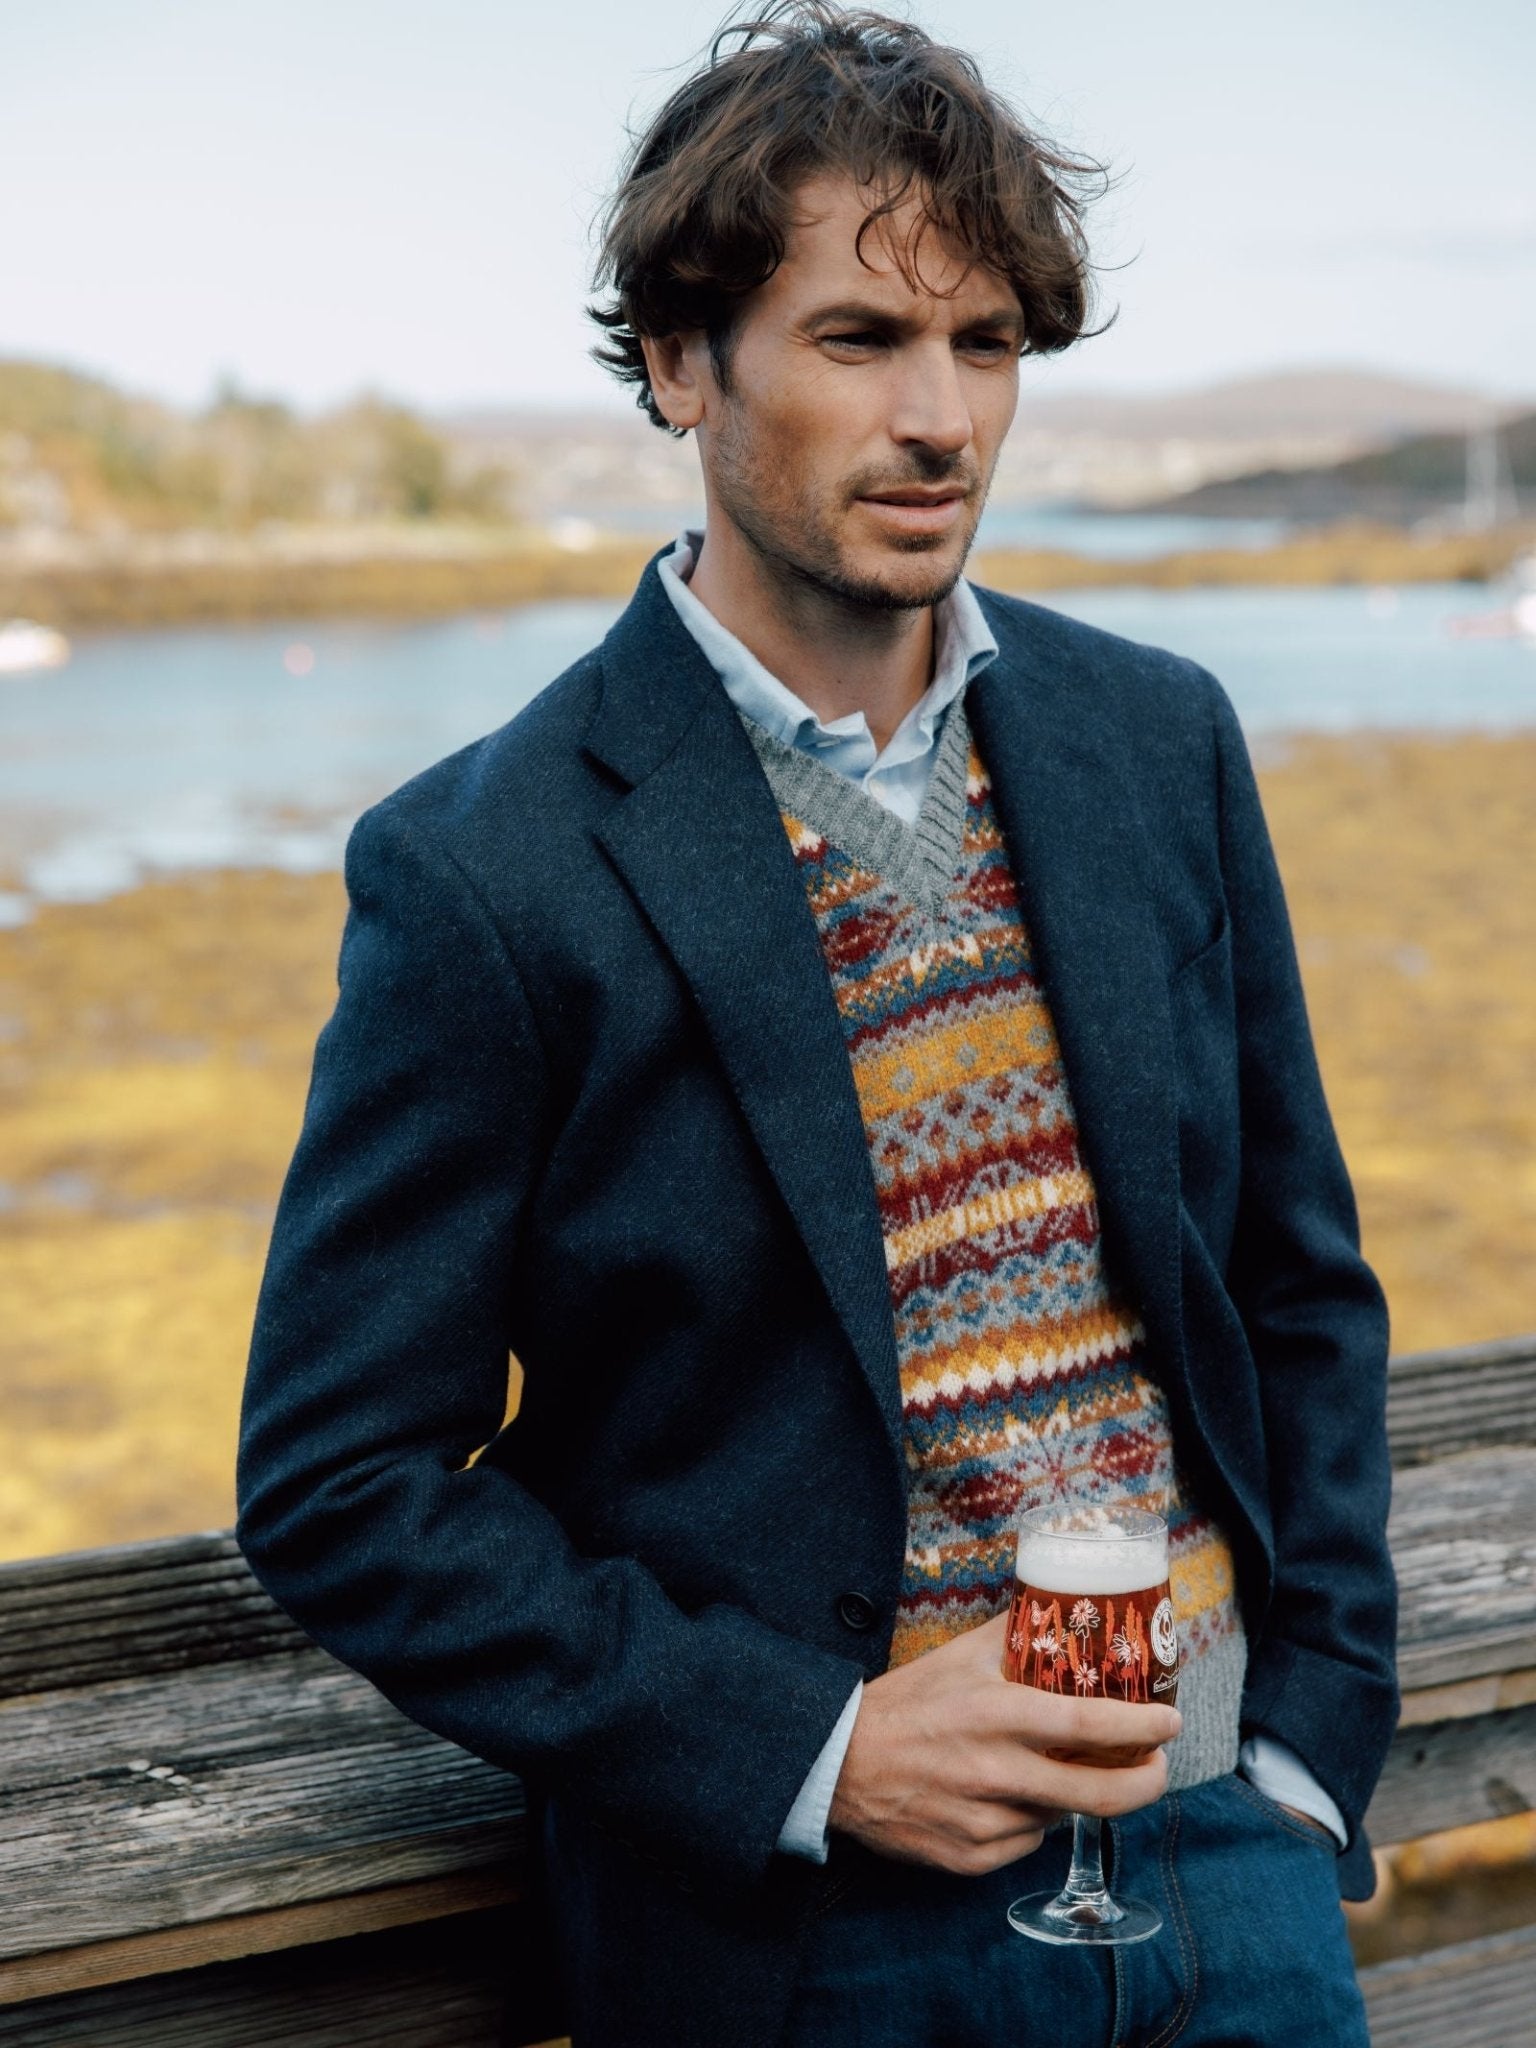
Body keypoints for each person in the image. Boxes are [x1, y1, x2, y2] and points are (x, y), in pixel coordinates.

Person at [235, 6, 1398, 2043]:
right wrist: (810, 1750)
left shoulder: (1157, 743)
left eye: (989, 346)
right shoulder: (485, 869)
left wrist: (1310, 1739)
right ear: (682, 363)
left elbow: (1295, 1280)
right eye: (862, 340)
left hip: (1233, 1866)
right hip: (819, 1947)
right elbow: (345, 1481)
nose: (942, 416)